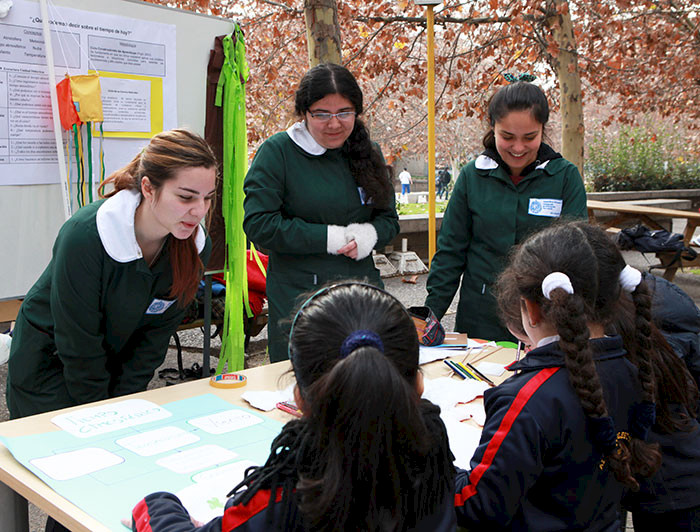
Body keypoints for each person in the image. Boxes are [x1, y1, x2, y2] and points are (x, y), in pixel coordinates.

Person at [129, 282, 456, 531]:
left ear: (298, 398)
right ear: (419, 385)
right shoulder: (430, 453)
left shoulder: (292, 487)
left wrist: (157, 504)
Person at [454, 222, 661, 530]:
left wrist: (435, 456)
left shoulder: (525, 399)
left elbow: (477, 505)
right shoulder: (633, 371)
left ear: (530, 310)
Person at [6, 129, 215, 420]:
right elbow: (77, 339)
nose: (199, 211)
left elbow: (154, 338)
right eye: (185, 197)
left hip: (113, 356)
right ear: (148, 188)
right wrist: (101, 411)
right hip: (51, 361)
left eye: (207, 198)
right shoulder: (85, 236)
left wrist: (125, 402)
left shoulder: (194, 247)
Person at [243, 63, 399, 362]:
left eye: (345, 112)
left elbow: (388, 219)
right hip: (300, 297)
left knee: (367, 379)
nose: (334, 124)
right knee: (305, 383)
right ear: (304, 113)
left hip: (361, 291)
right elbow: (259, 224)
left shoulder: (368, 151)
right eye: (322, 114)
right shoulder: (279, 153)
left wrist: (369, 235)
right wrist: (329, 238)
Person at [425, 78, 588, 341]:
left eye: (530, 137)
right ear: (493, 127)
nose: (518, 148)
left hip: (544, 317)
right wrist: (429, 314)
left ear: (543, 130)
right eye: (507, 137)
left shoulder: (565, 177)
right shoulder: (472, 177)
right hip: (480, 315)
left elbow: (577, 253)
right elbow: (450, 252)